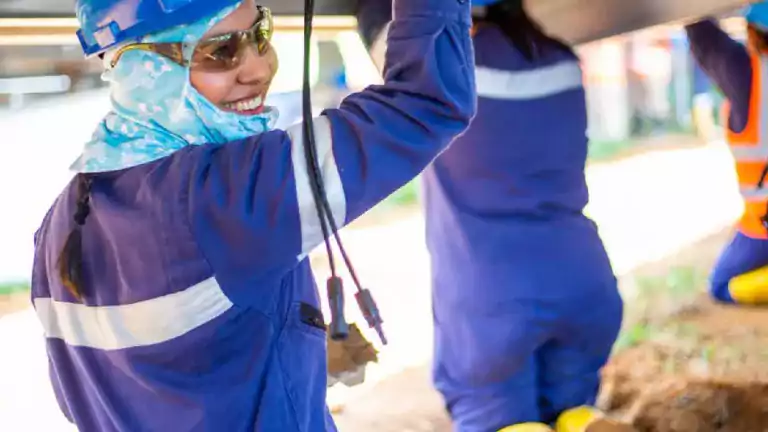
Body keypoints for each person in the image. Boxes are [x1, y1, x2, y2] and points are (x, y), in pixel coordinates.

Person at [30, 0, 475, 430]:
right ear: (142, 69)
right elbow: (425, 103)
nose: (261, 68)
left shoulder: (59, 224)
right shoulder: (224, 198)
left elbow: (90, 396)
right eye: (220, 52)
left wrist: (284, 350)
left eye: (259, 34)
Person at [358, 0, 627, 431]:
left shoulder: (439, 69)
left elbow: (374, 13)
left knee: (502, 420)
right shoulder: (561, 57)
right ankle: (579, 419)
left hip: (491, 303)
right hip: (585, 285)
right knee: (572, 413)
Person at [686, 3, 768, 305]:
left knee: (722, 285)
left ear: (754, 32)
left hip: (764, 225)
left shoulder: (745, 73)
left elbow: (702, 36)